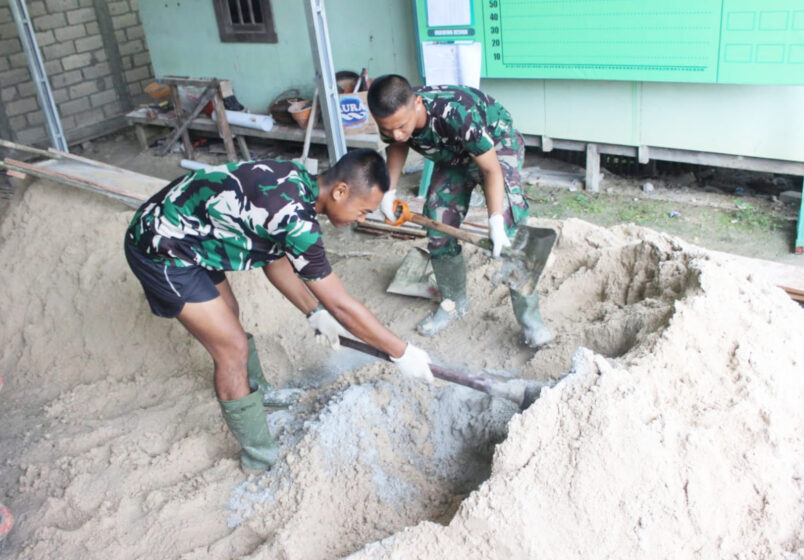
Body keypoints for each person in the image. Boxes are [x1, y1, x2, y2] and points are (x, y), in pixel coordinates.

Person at [124, 149, 433, 473]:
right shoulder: (297, 220)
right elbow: (342, 304)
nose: (362, 219)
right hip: (160, 246)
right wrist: (402, 353)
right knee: (231, 347)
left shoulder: (295, 180)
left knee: (229, 313)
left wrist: (315, 313)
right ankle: (259, 457)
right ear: (341, 191)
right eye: (363, 210)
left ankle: (258, 394)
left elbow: (275, 260)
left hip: (193, 239)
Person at [367, 74, 552, 348]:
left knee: (511, 227)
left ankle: (531, 322)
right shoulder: (393, 114)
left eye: (402, 126)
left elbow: (491, 170)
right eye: (388, 128)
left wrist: (496, 221)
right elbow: (397, 144)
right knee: (437, 222)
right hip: (452, 154)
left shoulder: (456, 115)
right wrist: (389, 190)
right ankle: (454, 304)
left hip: (495, 144)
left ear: (417, 103)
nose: (396, 133)